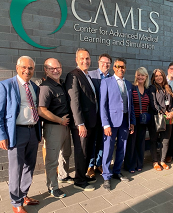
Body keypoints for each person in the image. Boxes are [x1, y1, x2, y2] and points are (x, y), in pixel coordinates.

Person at [0, 56, 42, 213]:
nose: (27, 70)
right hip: (16, 132)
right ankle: (16, 202)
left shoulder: (35, 87)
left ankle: (23, 194)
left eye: (31, 68)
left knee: (29, 166)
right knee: (16, 168)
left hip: (33, 131)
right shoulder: (5, 86)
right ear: (17, 67)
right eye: (24, 67)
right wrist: (0, 135)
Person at [37, 58, 72, 198]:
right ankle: (52, 187)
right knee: (52, 159)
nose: (55, 70)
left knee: (66, 153)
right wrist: (60, 120)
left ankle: (63, 176)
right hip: (54, 128)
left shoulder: (62, 84)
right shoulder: (46, 87)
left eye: (57, 68)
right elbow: (42, 110)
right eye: (52, 69)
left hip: (65, 126)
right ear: (46, 70)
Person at [100, 58, 136, 191]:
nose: (121, 69)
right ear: (114, 68)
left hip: (125, 121)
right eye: (118, 67)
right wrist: (105, 124)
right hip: (111, 122)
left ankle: (116, 171)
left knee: (122, 148)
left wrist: (132, 122)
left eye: (123, 67)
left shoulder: (128, 84)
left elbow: (130, 105)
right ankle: (106, 175)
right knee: (108, 149)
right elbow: (103, 105)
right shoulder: (106, 82)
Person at [65, 48, 97, 191]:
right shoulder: (73, 75)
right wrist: (80, 123)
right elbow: (74, 101)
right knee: (81, 152)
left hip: (90, 122)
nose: (85, 61)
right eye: (82, 58)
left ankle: (82, 176)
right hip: (82, 124)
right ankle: (79, 181)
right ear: (76, 60)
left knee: (87, 151)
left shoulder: (87, 75)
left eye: (88, 58)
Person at [87, 53, 112, 178]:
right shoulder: (90, 75)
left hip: (107, 117)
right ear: (98, 62)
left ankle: (99, 164)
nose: (105, 64)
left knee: (103, 141)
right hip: (93, 115)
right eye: (103, 62)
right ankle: (90, 166)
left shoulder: (112, 78)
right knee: (92, 141)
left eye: (108, 63)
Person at [124, 67, 150, 173]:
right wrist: (131, 121)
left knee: (141, 142)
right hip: (133, 120)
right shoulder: (132, 88)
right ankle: (130, 165)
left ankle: (139, 163)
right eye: (138, 75)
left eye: (142, 75)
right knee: (132, 143)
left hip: (143, 121)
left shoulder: (148, 90)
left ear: (146, 77)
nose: (140, 77)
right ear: (136, 76)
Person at [149, 69, 173, 171]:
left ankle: (162, 160)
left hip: (168, 118)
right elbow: (154, 104)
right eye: (156, 76)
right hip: (156, 117)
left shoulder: (168, 87)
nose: (159, 77)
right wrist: (165, 113)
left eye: (160, 75)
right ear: (153, 78)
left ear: (164, 76)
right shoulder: (152, 88)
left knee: (165, 140)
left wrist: (172, 112)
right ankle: (155, 161)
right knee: (154, 140)